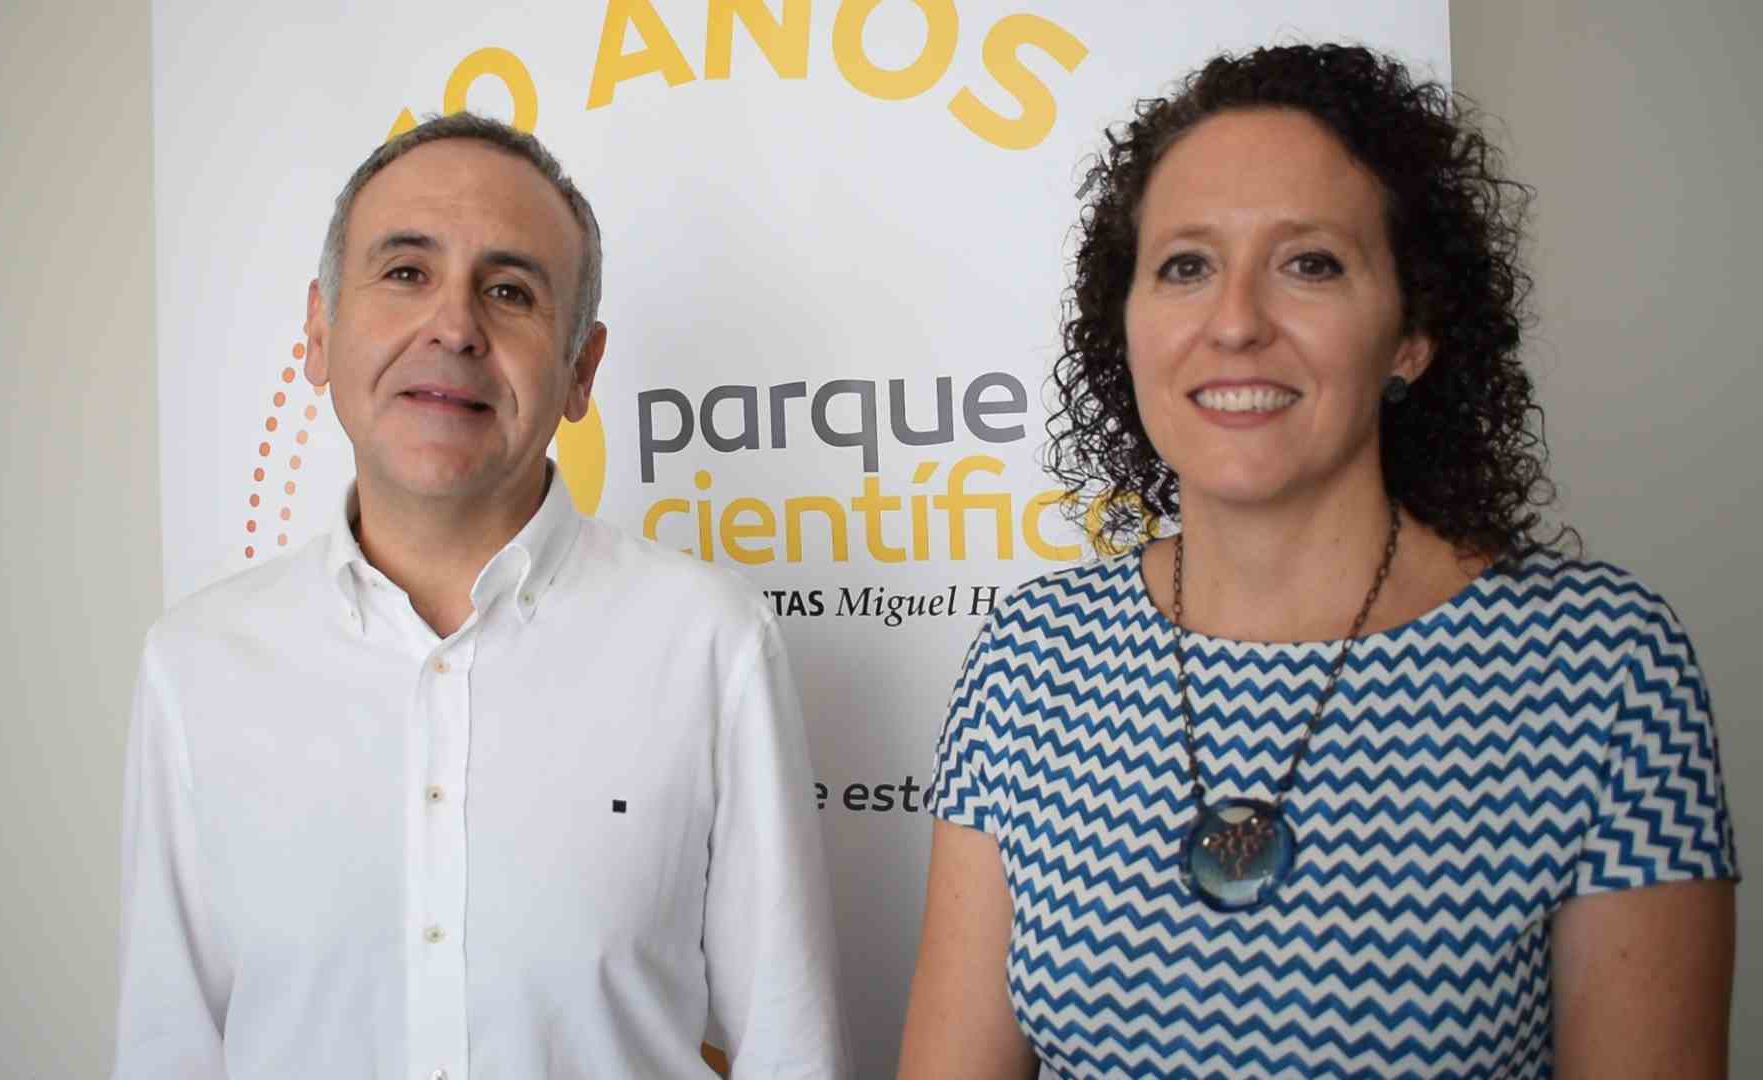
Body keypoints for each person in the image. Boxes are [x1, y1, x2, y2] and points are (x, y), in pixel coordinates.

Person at [898, 44, 1737, 1079]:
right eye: (1186, 266)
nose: (1236, 323)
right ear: (1127, 323)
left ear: (1411, 333)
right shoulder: (1033, 655)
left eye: (1311, 264)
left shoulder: (1602, 667)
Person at [113, 113, 849, 1079]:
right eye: (405, 272)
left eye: (509, 292)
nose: (455, 328)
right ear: (320, 332)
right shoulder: (195, 666)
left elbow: (789, 1051)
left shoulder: (713, 643)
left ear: (580, 369)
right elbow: (167, 1050)